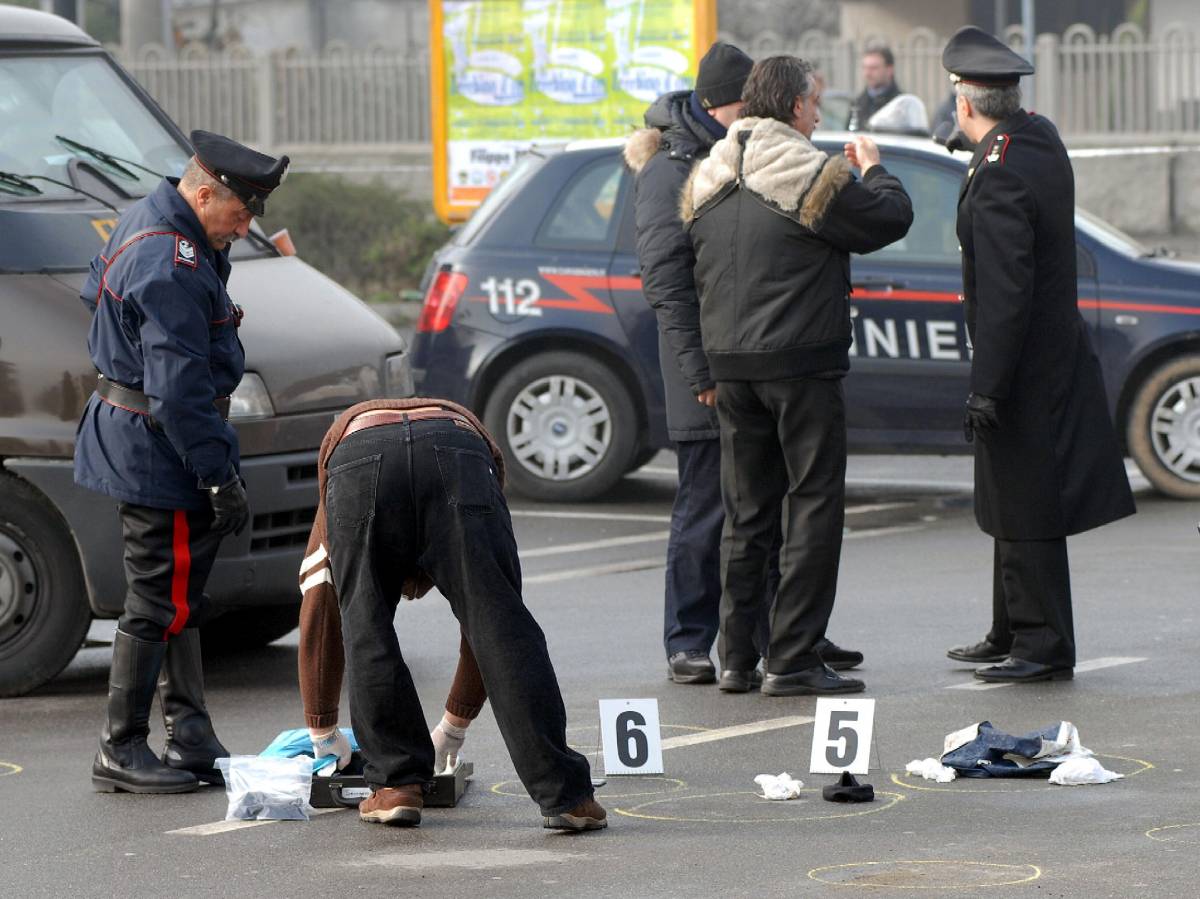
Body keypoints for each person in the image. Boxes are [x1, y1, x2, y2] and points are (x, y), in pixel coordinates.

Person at [680, 56, 912, 696]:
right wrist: (874, 167)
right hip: (800, 363)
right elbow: (889, 220)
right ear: (791, 106)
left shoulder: (708, 174)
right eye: (814, 102)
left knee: (746, 512)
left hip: (730, 365)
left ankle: (735, 659)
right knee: (812, 504)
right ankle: (792, 659)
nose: (818, 113)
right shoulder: (805, 169)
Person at [81, 131, 288, 793]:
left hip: (149, 435)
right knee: (154, 601)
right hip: (158, 447)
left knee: (179, 598)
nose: (247, 224)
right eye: (241, 211)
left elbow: (95, 290)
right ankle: (121, 746)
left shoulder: (157, 223)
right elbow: (177, 391)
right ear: (203, 192)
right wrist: (217, 472)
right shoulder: (171, 259)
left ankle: (191, 733)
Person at [297, 398, 606, 830]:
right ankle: (566, 797)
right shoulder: (478, 470)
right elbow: (486, 631)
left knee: (365, 624)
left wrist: (323, 732)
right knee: (501, 622)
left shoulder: (333, 493)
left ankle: (395, 787)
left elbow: (322, 611)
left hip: (360, 459)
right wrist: (453, 727)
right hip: (458, 451)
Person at [941, 27, 1136, 683]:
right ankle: (1010, 627)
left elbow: (1004, 292)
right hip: (1050, 354)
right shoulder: (1033, 140)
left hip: (1021, 364)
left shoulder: (999, 175)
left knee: (1025, 504)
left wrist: (986, 386)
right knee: (1008, 497)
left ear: (966, 103)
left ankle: (1042, 643)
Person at [847, 43, 901, 131]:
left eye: (874, 68)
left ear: (889, 69)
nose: (867, 73)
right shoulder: (857, 103)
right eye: (865, 68)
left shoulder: (900, 105)